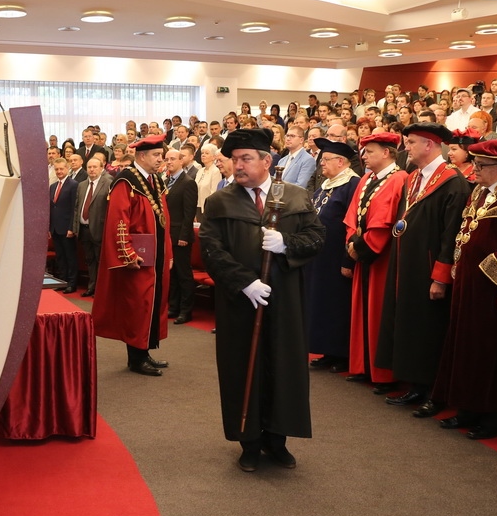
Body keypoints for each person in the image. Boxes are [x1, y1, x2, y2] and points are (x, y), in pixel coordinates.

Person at [199, 128, 325, 471]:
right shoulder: (220, 201)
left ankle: (277, 439)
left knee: (283, 365)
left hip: (285, 300)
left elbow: (317, 238)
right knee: (243, 367)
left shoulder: (295, 196)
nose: (238, 165)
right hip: (240, 301)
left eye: (246, 158)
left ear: (267, 161)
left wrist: (286, 243)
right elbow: (211, 249)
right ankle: (249, 441)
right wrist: (244, 282)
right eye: (234, 159)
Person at [433, 139, 497, 439]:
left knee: (491, 351)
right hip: (469, 282)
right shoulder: (480, 189)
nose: (474, 170)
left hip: (492, 286)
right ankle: (467, 407)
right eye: (475, 164)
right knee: (466, 346)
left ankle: (493, 416)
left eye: (481, 165)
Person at [376, 123, 471, 417]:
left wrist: (440, 276)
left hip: (429, 268)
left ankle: (434, 392)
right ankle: (416, 384)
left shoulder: (452, 182)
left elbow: (451, 234)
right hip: (408, 263)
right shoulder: (413, 177)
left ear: (430, 145)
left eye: (411, 143)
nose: (406, 148)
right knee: (412, 325)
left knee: (430, 330)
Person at [91, 134, 172, 376]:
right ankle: (136, 358)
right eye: (156, 155)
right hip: (138, 256)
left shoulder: (155, 180)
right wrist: (127, 253)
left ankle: (144, 351)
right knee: (138, 305)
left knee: (152, 303)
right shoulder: (126, 181)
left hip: (155, 255)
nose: (160, 159)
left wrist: (168, 252)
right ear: (142, 156)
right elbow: (119, 220)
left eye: (161, 155)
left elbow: (164, 220)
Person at [343, 131, 408, 389]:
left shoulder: (399, 179)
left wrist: (361, 247)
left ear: (387, 152)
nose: (364, 156)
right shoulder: (366, 178)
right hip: (363, 252)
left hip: (383, 258)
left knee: (380, 313)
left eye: (370, 152)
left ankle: (382, 373)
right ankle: (363, 366)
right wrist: (352, 243)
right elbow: (352, 216)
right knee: (363, 311)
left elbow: (386, 220)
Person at [305, 138, 359, 372]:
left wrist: (348, 258)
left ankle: (341, 354)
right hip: (320, 257)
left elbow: (353, 225)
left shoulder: (352, 185)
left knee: (338, 305)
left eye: (326, 159)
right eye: (321, 160)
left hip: (337, 256)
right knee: (321, 303)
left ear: (341, 161)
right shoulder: (325, 185)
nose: (322, 164)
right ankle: (326, 350)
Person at [163, 148, 198, 323]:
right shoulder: (165, 181)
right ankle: (174, 306)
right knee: (172, 274)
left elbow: (189, 213)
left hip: (180, 236)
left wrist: (184, 236)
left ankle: (186, 310)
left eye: (172, 159)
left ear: (181, 161)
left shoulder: (188, 182)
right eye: (166, 159)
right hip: (168, 235)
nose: (169, 162)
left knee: (184, 274)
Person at [72, 155, 112, 297]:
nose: (92, 169)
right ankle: (92, 287)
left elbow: (110, 208)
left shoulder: (108, 183)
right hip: (84, 230)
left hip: (99, 229)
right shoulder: (82, 185)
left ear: (101, 168)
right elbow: (77, 207)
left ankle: (101, 290)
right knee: (89, 260)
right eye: (89, 167)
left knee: (100, 261)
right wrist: (75, 228)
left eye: (95, 167)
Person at [48, 157, 78, 293]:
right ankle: (62, 281)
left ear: (67, 168)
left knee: (70, 257)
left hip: (67, 228)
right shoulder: (53, 186)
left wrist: (71, 228)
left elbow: (74, 209)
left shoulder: (73, 185)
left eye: (61, 169)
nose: (59, 171)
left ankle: (71, 283)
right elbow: (51, 208)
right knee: (60, 257)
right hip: (55, 228)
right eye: (57, 169)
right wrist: (50, 227)